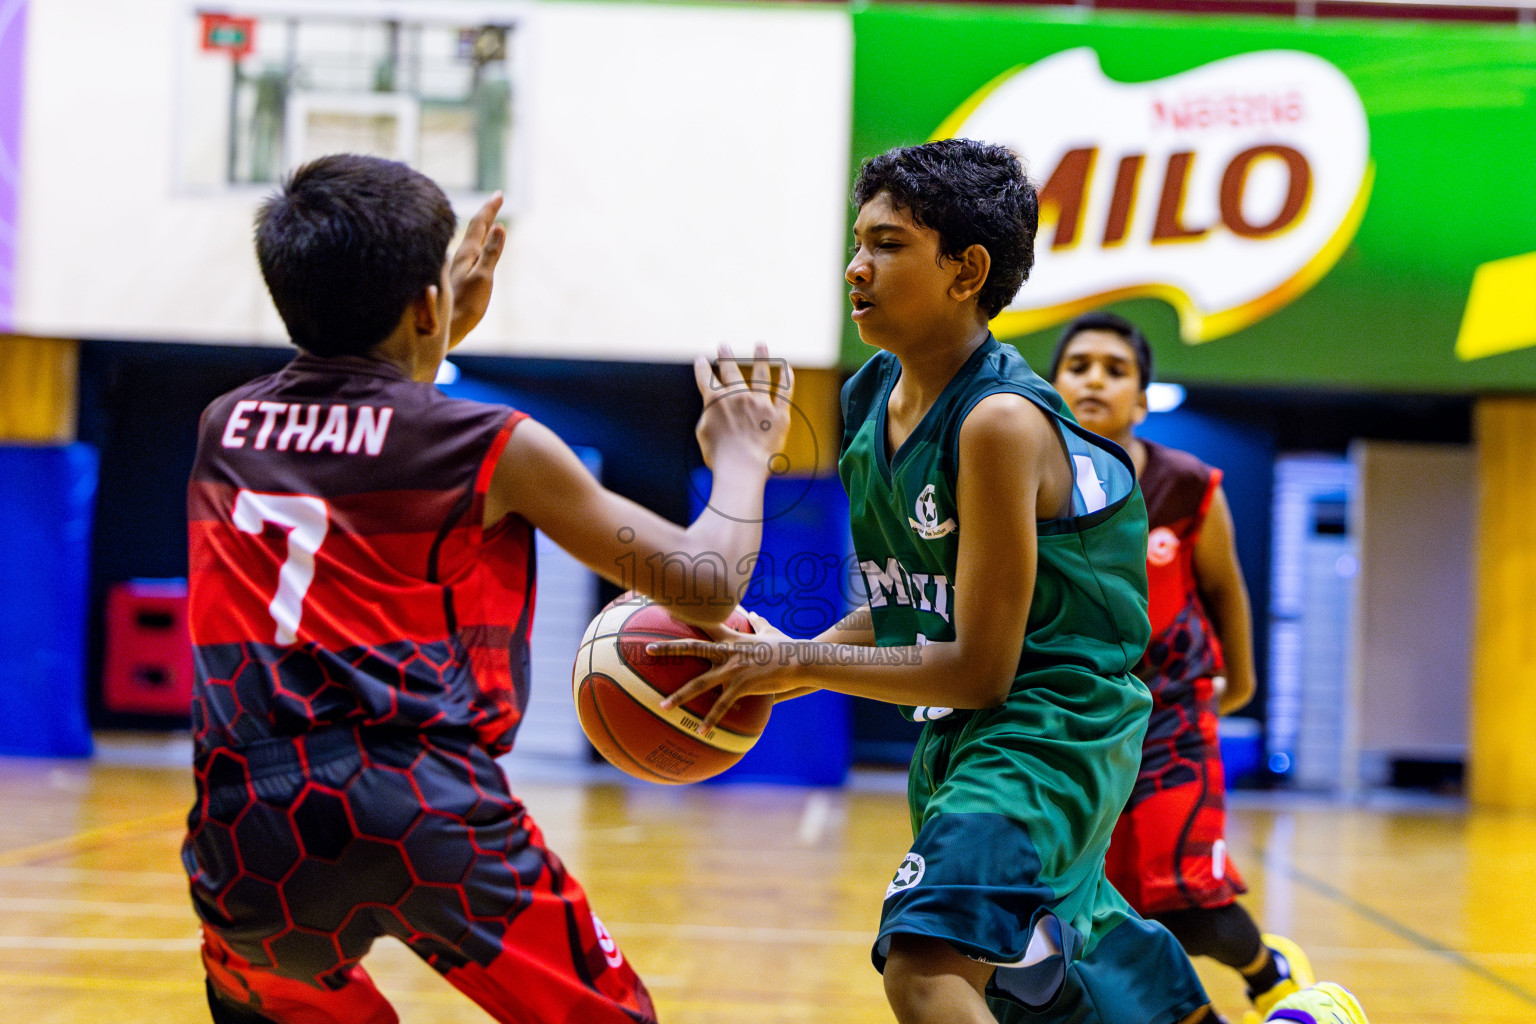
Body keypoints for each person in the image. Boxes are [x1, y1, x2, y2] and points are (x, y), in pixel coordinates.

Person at [182, 153, 793, 1024]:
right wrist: (742, 459)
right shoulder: (490, 442)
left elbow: (360, 421)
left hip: (246, 823)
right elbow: (704, 584)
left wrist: (424, 338)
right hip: (420, 799)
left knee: (269, 995)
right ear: (430, 302)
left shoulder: (223, 425)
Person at [653, 137, 1222, 1024]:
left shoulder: (998, 422)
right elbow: (901, 611)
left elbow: (977, 668)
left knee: (924, 966)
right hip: (961, 739)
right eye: (858, 241)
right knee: (1044, 980)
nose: (856, 265)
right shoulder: (871, 395)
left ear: (968, 271)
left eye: (887, 244)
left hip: (1048, 730)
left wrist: (795, 664)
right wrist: (772, 653)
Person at [1048, 311, 1315, 1021]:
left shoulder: (1189, 484)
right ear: (1051, 389)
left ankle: (1270, 973)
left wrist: (1246, 684)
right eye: (1078, 366)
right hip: (1078, 723)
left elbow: (1226, 588)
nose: (1095, 379)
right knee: (1112, 912)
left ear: (1141, 398)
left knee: (1194, 905)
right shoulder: (1027, 485)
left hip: (1171, 715)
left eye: (1115, 368)